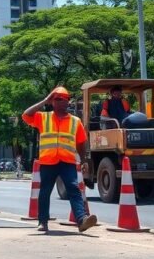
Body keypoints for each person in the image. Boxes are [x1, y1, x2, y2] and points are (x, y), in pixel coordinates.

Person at [23, 86, 98, 233]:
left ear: (68, 102)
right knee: (44, 192)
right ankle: (43, 222)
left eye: (64, 99)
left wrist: (83, 161)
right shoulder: (42, 117)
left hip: (67, 162)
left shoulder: (75, 121)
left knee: (74, 190)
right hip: (48, 162)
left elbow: (81, 143)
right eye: (57, 99)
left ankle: (82, 220)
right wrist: (45, 100)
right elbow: (26, 115)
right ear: (52, 102)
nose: (62, 102)